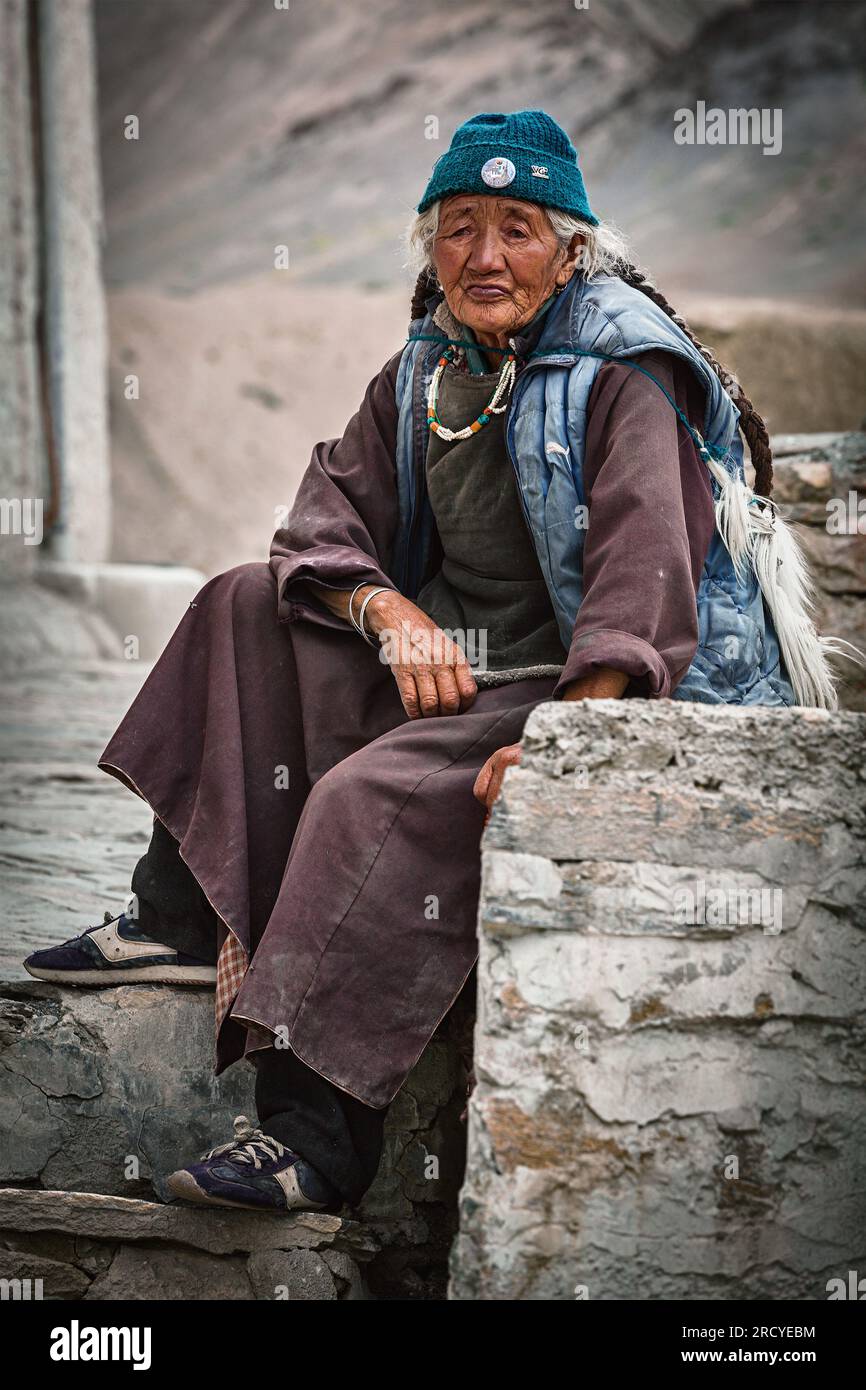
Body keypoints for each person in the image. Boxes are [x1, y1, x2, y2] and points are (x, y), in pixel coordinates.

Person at [24, 109, 838, 1215]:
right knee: (239, 605)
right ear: (429, 244)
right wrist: (385, 611)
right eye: (459, 227)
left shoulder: (620, 372)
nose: (484, 255)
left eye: (516, 227)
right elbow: (321, 520)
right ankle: (172, 911)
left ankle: (314, 1140)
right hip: (459, 663)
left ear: (570, 248)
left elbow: (648, 582)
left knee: (374, 795)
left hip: (583, 686)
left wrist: (566, 739)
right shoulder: (426, 366)